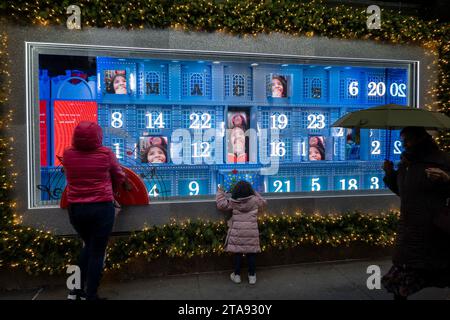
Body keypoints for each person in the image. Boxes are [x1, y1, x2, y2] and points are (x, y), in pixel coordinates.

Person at [62, 121, 129, 300]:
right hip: (101, 208)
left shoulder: (67, 154)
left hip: (76, 209)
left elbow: (67, 172)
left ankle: (75, 291)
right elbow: (119, 174)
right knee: (97, 251)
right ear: (98, 136)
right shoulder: (106, 154)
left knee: (87, 247)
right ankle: (91, 294)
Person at [381, 126, 450, 300]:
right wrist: (390, 174)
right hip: (409, 229)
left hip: (435, 229)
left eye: (408, 140)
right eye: (402, 141)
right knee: (401, 279)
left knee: (441, 269)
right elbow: (404, 193)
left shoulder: (442, 161)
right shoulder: (406, 164)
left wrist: (446, 179)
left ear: (421, 139)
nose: (404, 145)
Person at [216, 181, 267, 285]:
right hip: (251, 232)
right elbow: (263, 202)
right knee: (251, 253)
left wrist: (220, 192)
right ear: (250, 190)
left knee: (237, 253)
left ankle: (237, 276)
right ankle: (252, 276)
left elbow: (221, 205)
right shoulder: (255, 201)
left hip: (237, 232)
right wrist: (254, 192)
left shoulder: (233, 202)